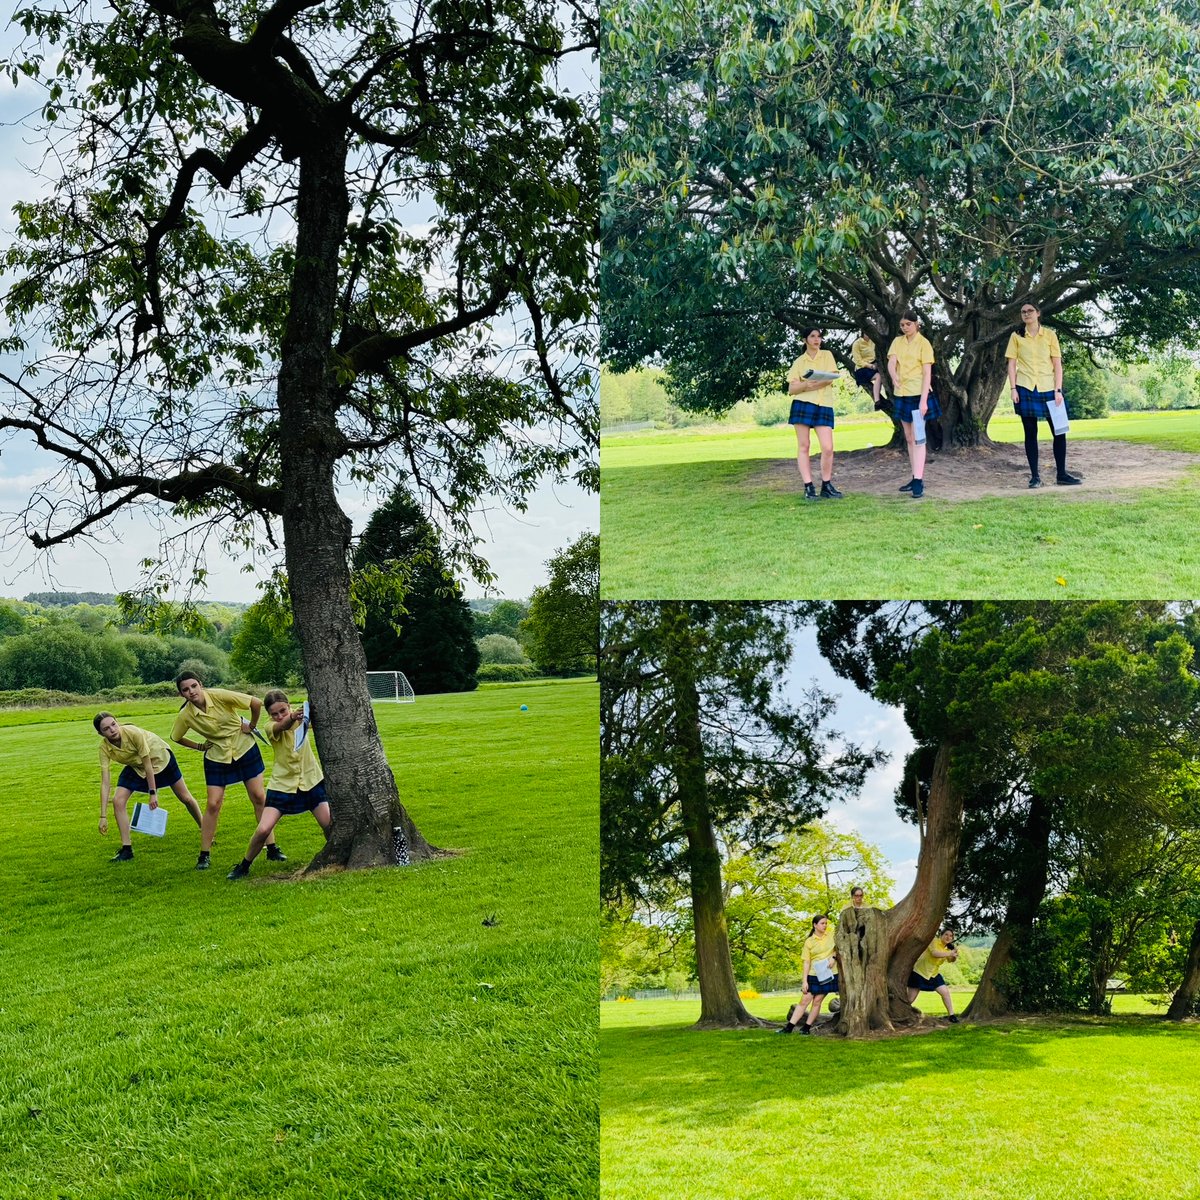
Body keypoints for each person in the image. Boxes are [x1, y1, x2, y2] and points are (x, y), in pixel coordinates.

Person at [171, 670, 284, 870]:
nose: (191, 691)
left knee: (259, 797)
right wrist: (198, 746)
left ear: (200, 684)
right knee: (213, 804)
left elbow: (255, 703)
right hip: (217, 756)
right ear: (181, 694)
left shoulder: (219, 695)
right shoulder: (186, 715)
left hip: (244, 748)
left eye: (194, 686)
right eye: (185, 690)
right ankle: (204, 855)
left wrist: (252, 726)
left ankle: (272, 848)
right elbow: (176, 737)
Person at [227, 691, 331, 880]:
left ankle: (334, 856)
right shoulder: (270, 726)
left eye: (283, 710)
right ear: (269, 715)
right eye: (275, 713)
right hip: (282, 785)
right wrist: (290, 717)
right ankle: (243, 865)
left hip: (311, 781)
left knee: (328, 824)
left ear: (289, 704)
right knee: (263, 829)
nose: (279, 715)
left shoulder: (301, 717)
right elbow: (282, 726)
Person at [94, 712, 203, 862]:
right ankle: (127, 849)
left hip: (160, 759)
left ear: (117, 722)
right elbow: (105, 782)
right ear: (100, 733)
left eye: (113, 724)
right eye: (106, 728)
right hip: (136, 766)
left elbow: (148, 764)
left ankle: (205, 830)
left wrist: (153, 793)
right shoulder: (104, 748)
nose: (112, 729)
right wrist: (103, 816)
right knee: (118, 800)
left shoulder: (134, 733)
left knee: (185, 797)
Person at [1005, 301, 1081, 488]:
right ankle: (1035, 477)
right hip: (1025, 387)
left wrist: (1058, 390)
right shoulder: (1016, 336)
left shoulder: (1049, 335)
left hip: (1049, 387)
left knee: (1059, 432)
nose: (1026, 314)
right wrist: (1013, 388)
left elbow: (1057, 365)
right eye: (1023, 312)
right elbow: (1012, 364)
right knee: (1030, 433)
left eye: (1030, 311)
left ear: (1038, 313)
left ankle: (1062, 474)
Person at [787, 328, 844, 501]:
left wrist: (813, 384)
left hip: (824, 404)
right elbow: (791, 389)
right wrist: (805, 386)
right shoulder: (799, 362)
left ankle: (826, 485)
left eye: (819, 336)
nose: (817, 339)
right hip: (803, 404)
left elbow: (832, 377)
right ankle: (808, 486)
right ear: (805, 340)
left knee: (828, 447)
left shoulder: (827, 355)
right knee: (804, 445)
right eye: (812, 336)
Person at [887, 312, 940, 498]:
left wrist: (924, 400)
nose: (905, 328)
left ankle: (919, 480)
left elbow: (927, 374)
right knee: (909, 437)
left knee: (919, 437)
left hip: (919, 393)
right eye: (902, 325)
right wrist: (893, 376)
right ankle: (914, 475)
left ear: (916, 324)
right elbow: (891, 362)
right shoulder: (897, 342)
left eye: (908, 324)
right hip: (902, 393)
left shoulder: (924, 343)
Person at [777, 914, 840, 1034]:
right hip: (813, 975)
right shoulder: (809, 942)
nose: (825, 926)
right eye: (822, 923)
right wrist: (804, 981)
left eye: (826, 923)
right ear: (815, 925)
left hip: (828, 974)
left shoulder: (832, 935)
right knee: (804, 1001)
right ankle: (789, 1028)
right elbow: (806, 962)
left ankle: (806, 1028)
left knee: (817, 1002)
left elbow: (841, 947)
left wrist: (834, 957)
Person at [907, 927, 960, 1022]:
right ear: (941, 935)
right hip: (919, 972)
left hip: (933, 974)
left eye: (951, 936)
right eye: (946, 934)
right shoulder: (933, 941)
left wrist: (954, 955)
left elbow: (951, 960)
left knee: (945, 993)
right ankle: (901, 1014)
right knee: (910, 999)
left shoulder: (948, 948)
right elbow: (934, 953)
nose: (948, 937)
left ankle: (952, 1016)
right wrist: (950, 953)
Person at [850, 329, 887, 411]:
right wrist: (870, 366)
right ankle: (877, 402)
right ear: (863, 332)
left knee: (884, 375)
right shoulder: (857, 343)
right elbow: (858, 360)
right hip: (862, 369)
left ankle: (881, 400)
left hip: (874, 365)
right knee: (878, 376)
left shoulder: (873, 341)